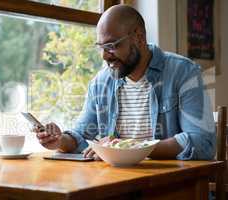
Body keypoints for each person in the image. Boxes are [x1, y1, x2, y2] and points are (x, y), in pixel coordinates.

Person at [34, 5, 216, 160]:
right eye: (101, 48)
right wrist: (59, 141)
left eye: (111, 46)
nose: (105, 56)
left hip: (171, 186)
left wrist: (131, 148)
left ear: (139, 37)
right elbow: (80, 136)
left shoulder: (184, 72)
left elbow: (202, 143)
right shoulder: (101, 83)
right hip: (118, 183)